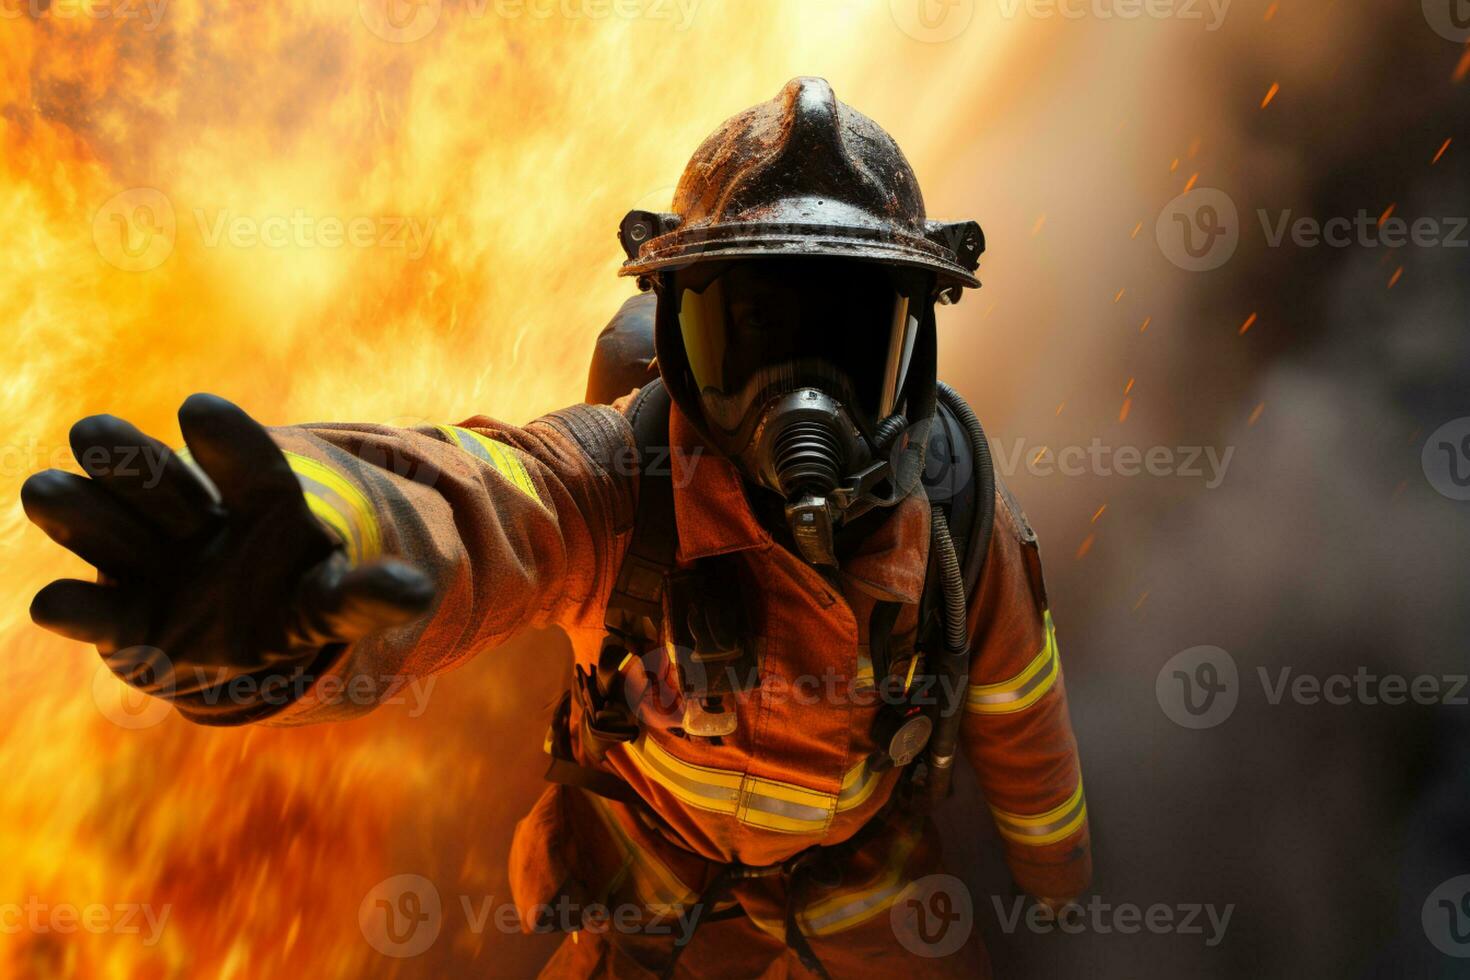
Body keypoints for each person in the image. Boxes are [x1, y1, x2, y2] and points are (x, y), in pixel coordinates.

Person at [21, 77, 1090, 978]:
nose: (794, 397)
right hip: (647, 873)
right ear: (676, 339)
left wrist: (1059, 886)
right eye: (750, 331)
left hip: (862, 882)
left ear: (915, 355)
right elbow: (471, 498)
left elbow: (1019, 720)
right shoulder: (619, 482)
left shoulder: (959, 525)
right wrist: (314, 532)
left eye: (847, 336)